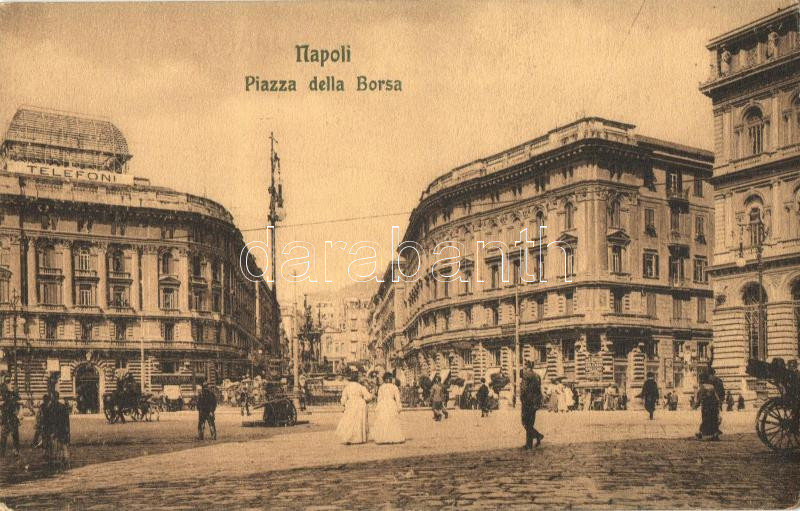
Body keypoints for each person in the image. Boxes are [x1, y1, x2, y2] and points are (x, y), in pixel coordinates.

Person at [335, 371, 372, 444]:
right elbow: (368, 397)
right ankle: (359, 438)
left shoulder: (347, 387)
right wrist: (364, 400)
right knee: (359, 421)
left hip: (351, 404)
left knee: (350, 421)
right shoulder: (361, 387)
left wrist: (344, 404)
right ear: (357, 379)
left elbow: (343, 399)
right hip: (360, 404)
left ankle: (349, 437)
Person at [373, 373, 404, 444]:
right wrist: (399, 407)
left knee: (383, 420)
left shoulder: (381, 387)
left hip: (383, 404)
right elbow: (397, 399)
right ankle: (393, 437)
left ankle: (383, 438)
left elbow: (379, 399)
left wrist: (378, 407)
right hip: (391, 404)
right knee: (392, 420)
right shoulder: (394, 387)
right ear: (391, 379)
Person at [521, 363, 544, 449]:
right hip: (535, 402)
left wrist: (522, 399)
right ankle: (530, 443)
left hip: (527, 401)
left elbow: (523, 388)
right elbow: (539, 390)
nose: (523, 368)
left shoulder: (526, 375)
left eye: (524, 366)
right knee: (530, 422)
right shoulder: (537, 376)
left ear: (527, 367)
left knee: (525, 422)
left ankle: (536, 437)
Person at [694, 371, 721, 441]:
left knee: (705, 420)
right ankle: (715, 435)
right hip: (713, 406)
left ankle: (700, 433)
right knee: (713, 420)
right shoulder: (712, 386)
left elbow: (699, 398)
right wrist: (718, 405)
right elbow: (717, 397)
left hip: (706, 406)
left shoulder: (702, 387)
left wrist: (695, 406)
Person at [0, 377, 21, 457]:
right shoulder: (3, 399)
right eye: (8, 381)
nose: (10, 383)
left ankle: (16, 450)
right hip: (5, 419)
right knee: (3, 436)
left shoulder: (14, 398)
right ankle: (2, 452)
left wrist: (18, 415)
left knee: (15, 435)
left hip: (12, 418)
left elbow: (18, 407)